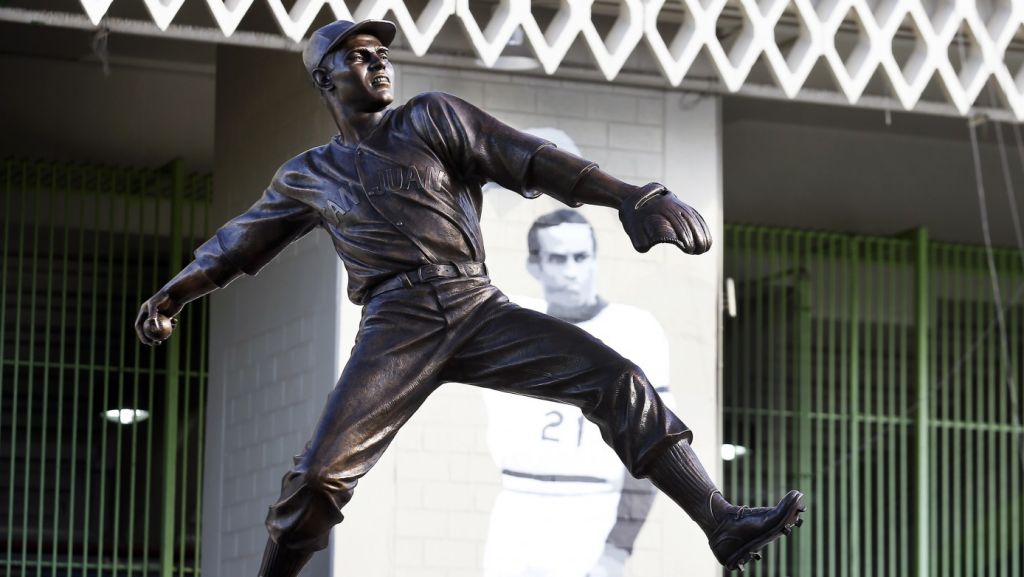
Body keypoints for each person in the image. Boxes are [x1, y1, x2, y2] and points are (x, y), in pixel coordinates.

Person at [133, 19, 804, 576]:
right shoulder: (309, 173)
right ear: (325, 78)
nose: (378, 64)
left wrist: (632, 195)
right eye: (359, 57)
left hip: (477, 304)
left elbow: (531, 158)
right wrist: (175, 292)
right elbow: (237, 244)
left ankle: (719, 521)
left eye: (382, 54)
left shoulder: (432, 117)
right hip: (396, 324)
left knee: (619, 379)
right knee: (317, 477)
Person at [482, 209, 675, 577]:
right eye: (558, 259)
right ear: (535, 266)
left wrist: (617, 550)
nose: (571, 272)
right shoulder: (509, 325)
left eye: (580, 257)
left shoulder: (635, 329)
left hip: (590, 509)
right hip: (517, 511)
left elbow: (654, 446)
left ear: (595, 260)